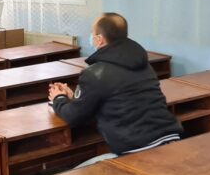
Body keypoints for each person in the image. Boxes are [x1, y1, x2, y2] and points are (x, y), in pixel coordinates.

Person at [47, 13, 182, 166]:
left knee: (76, 174)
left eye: (92, 33)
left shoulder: (95, 73)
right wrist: (75, 97)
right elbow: (118, 98)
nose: (91, 37)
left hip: (137, 150)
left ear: (99, 39)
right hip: (171, 138)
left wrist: (58, 98)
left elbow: (74, 116)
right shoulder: (144, 65)